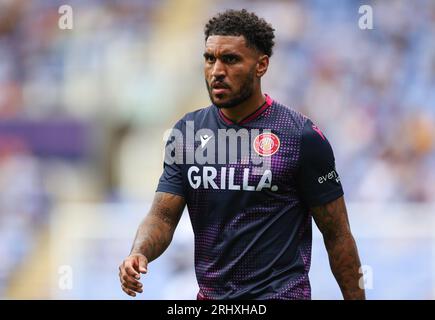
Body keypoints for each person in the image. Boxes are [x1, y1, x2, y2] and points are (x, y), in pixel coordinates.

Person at [119, 9, 365, 300]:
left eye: (231, 59)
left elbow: (337, 235)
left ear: (261, 65)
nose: (216, 71)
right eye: (210, 58)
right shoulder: (187, 132)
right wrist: (139, 253)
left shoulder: (300, 136)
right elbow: (162, 215)